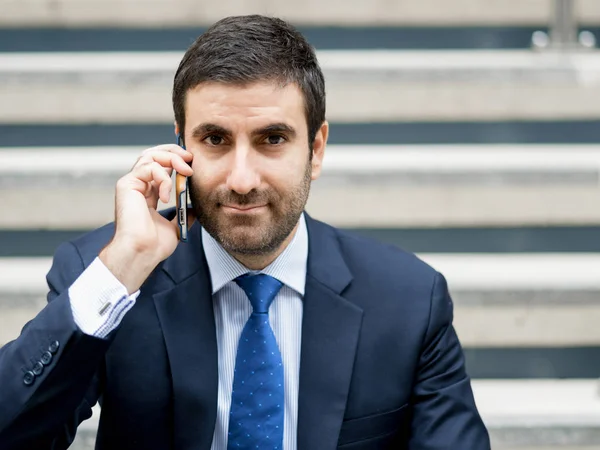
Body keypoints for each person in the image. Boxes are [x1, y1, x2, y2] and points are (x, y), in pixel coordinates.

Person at [0, 15, 490, 450]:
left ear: (316, 149)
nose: (241, 180)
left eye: (272, 139)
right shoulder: (109, 277)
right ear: (180, 147)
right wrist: (122, 266)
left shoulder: (408, 299)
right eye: (215, 139)